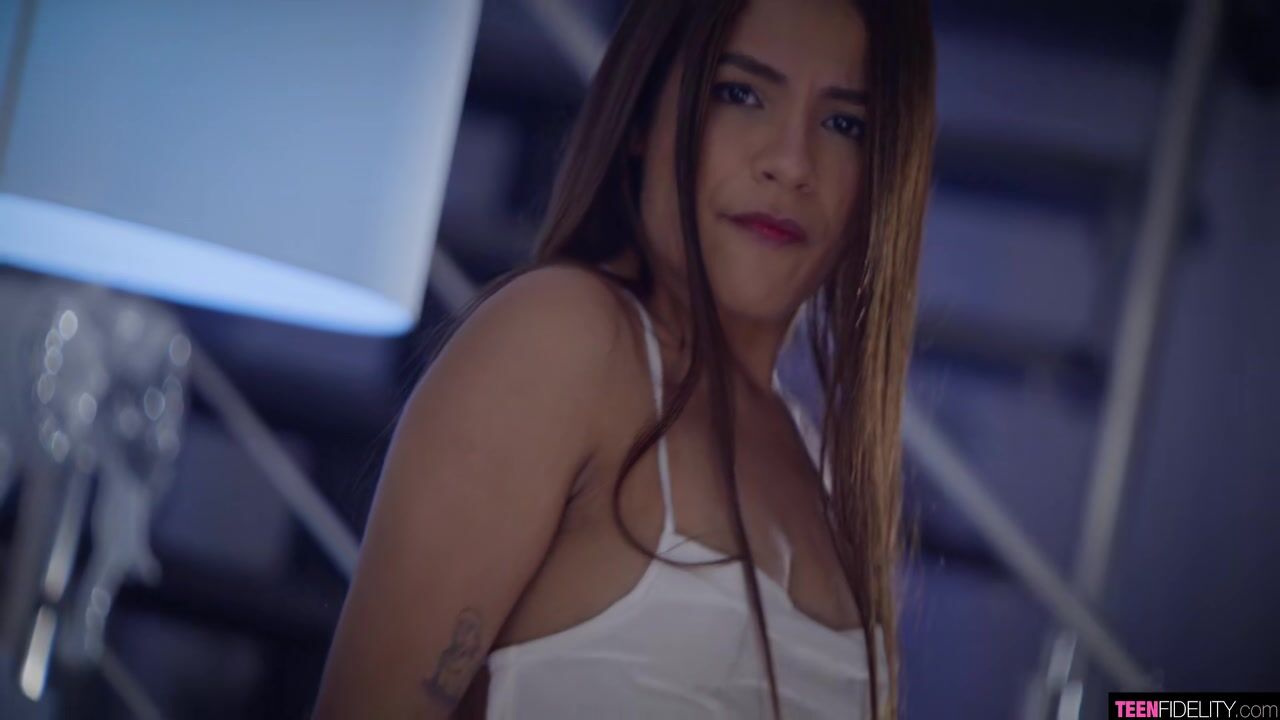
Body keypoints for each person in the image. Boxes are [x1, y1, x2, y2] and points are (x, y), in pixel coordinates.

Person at [312, 0, 935, 717]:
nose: (791, 163)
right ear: (642, 116)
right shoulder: (564, 342)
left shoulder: (831, 475)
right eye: (740, 93)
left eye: (845, 124)